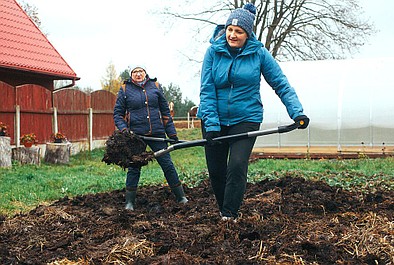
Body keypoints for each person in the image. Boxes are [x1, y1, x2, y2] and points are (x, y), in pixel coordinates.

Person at [197, 3, 309, 221]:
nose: (232, 35)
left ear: (248, 34)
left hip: (245, 118)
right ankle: (224, 210)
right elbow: (207, 89)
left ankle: (230, 215)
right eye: (230, 29)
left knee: (237, 165)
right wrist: (211, 125)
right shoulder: (213, 52)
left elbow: (280, 83)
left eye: (238, 32)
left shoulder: (259, 53)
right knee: (217, 172)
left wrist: (297, 112)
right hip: (215, 119)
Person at [113, 65, 188, 210]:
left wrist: (172, 133)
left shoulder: (155, 86)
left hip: (157, 133)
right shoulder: (125, 89)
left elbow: (165, 111)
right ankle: (129, 202)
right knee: (134, 167)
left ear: (145, 73)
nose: (138, 74)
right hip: (136, 136)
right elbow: (118, 114)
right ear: (131, 76)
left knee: (167, 164)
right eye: (135, 72)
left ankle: (181, 197)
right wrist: (125, 131)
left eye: (140, 71)